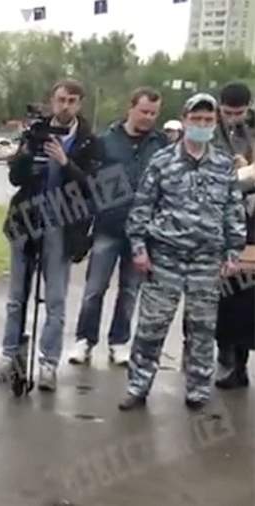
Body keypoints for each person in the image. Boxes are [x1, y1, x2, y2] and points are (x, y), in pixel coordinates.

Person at [120, 93, 247, 411]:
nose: (202, 124)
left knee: (202, 330)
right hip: (165, 258)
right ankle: (137, 386)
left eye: (208, 120)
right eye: (196, 119)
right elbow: (142, 207)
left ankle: (198, 390)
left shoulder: (223, 165)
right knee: (151, 328)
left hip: (207, 261)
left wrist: (233, 253)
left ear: (215, 123)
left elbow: (233, 211)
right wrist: (138, 248)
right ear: (185, 120)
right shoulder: (162, 161)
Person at [0, 79, 101, 392]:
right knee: (16, 297)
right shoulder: (35, 133)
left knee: (55, 299)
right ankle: (9, 354)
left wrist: (66, 163)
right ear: (52, 101)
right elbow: (15, 178)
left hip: (63, 225)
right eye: (61, 99)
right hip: (26, 220)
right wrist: (28, 152)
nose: (65, 106)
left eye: (72, 100)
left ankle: (48, 362)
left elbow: (92, 187)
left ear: (79, 104)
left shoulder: (89, 141)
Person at [68, 88, 168, 367]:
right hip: (109, 225)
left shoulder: (161, 145)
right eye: (144, 111)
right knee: (95, 288)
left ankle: (119, 341)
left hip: (143, 233)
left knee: (130, 291)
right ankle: (84, 339)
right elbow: (90, 182)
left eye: (153, 113)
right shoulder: (105, 141)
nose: (148, 117)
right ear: (130, 108)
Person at [213, 82, 255, 389]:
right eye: (228, 112)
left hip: (251, 221)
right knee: (222, 296)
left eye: (238, 112)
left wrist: (247, 167)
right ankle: (225, 357)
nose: (233, 117)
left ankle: (239, 364)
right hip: (219, 219)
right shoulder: (208, 125)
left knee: (246, 298)